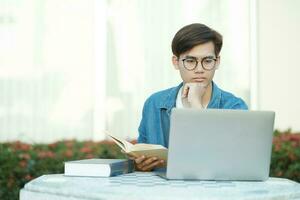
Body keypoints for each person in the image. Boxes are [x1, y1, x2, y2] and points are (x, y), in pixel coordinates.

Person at [132, 23, 248, 171]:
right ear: (176, 62)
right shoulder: (154, 103)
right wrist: (140, 165)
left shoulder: (234, 107)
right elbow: (141, 157)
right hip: (163, 191)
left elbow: (235, 164)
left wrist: (196, 106)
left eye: (207, 61)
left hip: (215, 193)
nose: (199, 70)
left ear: (217, 62)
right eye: (190, 61)